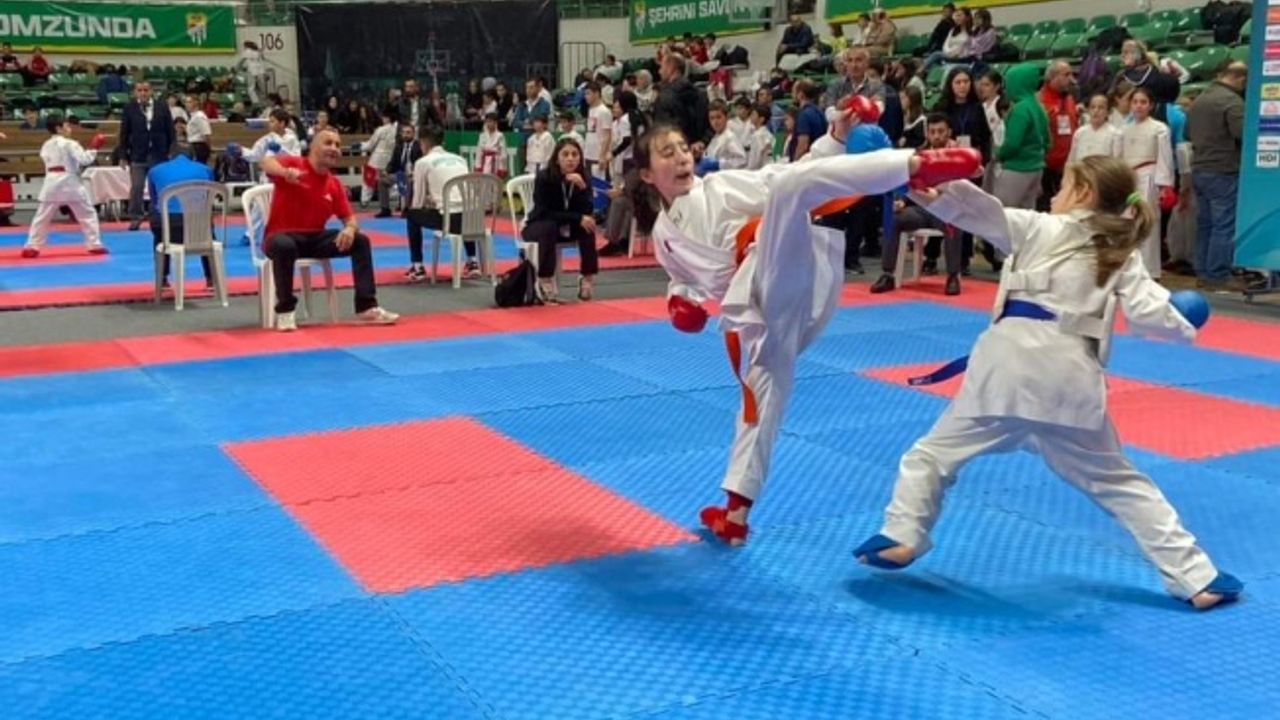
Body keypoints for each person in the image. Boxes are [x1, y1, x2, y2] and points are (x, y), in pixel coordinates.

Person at [854, 154, 1242, 612]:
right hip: (1069, 383)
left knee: (930, 458)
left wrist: (932, 189)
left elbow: (982, 212)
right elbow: (1150, 313)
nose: (1054, 196)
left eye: (1062, 187)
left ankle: (902, 534)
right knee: (1119, 483)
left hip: (1006, 375)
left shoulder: (1039, 227)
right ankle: (1197, 577)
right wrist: (1183, 316)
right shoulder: (1120, 251)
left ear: (1083, 193)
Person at [629, 124, 980, 544]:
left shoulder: (719, 187)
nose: (682, 157)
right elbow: (683, 277)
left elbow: (776, 176)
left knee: (789, 187)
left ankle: (914, 165)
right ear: (647, 174)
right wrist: (680, 301)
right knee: (759, 404)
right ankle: (736, 513)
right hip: (759, 316)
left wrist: (835, 140)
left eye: (683, 148)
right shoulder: (664, 234)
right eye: (667, 152)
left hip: (773, 271)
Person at [258, 127, 399, 331]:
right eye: (328, 143)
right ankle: (286, 311)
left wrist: (349, 229)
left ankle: (367, 306)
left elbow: (350, 218)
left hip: (314, 239)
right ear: (313, 147)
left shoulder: (334, 184)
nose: (334, 148)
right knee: (284, 245)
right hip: (280, 237)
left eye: (337, 145)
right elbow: (265, 162)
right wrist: (284, 172)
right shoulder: (295, 164)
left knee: (360, 241)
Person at [873, 113, 964, 296]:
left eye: (941, 131)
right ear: (927, 134)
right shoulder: (917, 156)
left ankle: (953, 276)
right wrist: (901, 201)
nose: (936, 136)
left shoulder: (959, 156)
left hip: (945, 209)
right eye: (932, 132)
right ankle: (887, 274)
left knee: (953, 223)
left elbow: (964, 188)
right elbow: (906, 183)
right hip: (920, 209)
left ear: (949, 132)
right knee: (894, 218)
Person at [1186, 60, 1246, 292]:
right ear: (1239, 78)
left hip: (1199, 168)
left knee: (1205, 224)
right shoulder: (1232, 101)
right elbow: (1242, 133)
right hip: (1223, 169)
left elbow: (1187, 133)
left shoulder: (1199, 100)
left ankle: (1203, 272)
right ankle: (1218, 275)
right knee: (1223, 225)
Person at [522, 138, 598, 302]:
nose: (571, 159)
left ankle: (586, 277)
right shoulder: (544, 177)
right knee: (549, 227)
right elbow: (544, 212)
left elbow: (587, 211)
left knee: (589, 226)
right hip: (539, 224)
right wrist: (577, 218)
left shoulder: (584, 177)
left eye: (575, 155)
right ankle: (545, 279)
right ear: (557, 158)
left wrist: (582, 188)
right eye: (565, 154)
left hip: (568, 226)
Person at [20, 116, 109, 258]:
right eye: (66, 126)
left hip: (51, 181)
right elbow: (84, 160)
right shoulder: (70, 144)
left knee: (42, 217)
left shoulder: (46, 145)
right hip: (69, 181)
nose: (69, 129)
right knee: (87, 214)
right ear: (58, 128)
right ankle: (94, 244)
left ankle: (32, 246)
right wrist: (94, 148)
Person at [404, 125, 474, 283]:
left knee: (411, 215)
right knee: (461, 208)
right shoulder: (460, 159)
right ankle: (472, 261)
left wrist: (424, 204)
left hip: (448, 219)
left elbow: (418, 202)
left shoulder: (422, 162)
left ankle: (417, 266)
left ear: (423, 143)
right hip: (471, 219)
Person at [1119, 87, 1175, 279]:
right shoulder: (1123, 129)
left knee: (1148, 222)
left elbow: (1165, 158)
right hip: (1128, 179)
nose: (1138, 106)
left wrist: (1164, 186)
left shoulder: (1159, 128)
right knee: (1127, 223)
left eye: (1143, 102)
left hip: (1149, 177)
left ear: (1151, 106)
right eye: (1135, 102)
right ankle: (1127, 269)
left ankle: (1150, 270)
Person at [147, 149, 216, 287]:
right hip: (199, 229)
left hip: (168, 229)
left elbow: (154, 201)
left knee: (159, 222)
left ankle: (162, 277)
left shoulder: (154, 171)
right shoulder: (205, 170)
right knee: (205, 223)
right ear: (193, 157)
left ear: (169, 156)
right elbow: (210, 196)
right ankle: (211, 276)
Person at [120, 81, 176, 230]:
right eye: (139, 90)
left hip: (159, 153)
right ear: (135, 92)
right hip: (138, 154)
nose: (143, 93)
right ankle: (135, 217)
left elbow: (170, 130)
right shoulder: (129, 108)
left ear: (151, 91)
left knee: (160, 187)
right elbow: (124, 133)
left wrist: (172, 150)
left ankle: (160, 214)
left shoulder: (162, 106)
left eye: (145, 90)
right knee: (137, 187)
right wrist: (123, 155)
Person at [359, 110, 398, 212]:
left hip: (377, 159)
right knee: (387, 180)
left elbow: (370, 145)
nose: (382, 119)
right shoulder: (396, 130)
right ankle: (393, 199)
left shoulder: (380, 130)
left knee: (368, 179)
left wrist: (360, 146)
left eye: (384, 117)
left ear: (387, 118)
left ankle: (364, 200)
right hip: (389, 160)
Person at [1069, 93, 1123, 163]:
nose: (1096, 111)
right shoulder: (1079, 133)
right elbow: (1071, 160)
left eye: (1101, 108)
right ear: (1088, 111)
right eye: (1093, 107)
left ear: (1107, 112)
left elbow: (1117, 163)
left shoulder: (1115, 134)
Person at [703, 100, 748, 170]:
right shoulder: (715, 137)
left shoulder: (729, 137)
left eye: (718, 117)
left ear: (726, 117)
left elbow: (742, 160)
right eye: (712, 118)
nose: (715, 122)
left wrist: (719, 164)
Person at [184, 95, 212, 164]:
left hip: (199, 147)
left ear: (196, 103)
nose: (186, 104)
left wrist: (209, 149)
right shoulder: (193, 116)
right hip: (192, 146)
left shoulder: (200, 116)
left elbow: (206, 134)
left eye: (189, 102)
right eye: (186, 102)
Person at [746, 104, 775, 171]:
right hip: (768, 168)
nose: (750, 116)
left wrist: (748, 170)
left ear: (761, 119)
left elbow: (754, 161)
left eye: (753, 114)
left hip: (760, 170)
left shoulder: (757, 136)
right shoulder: (767, 133)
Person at [476, 112, 507, 177]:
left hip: (496, 162)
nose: (488, 124)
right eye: (487, 122)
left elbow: (503, 153)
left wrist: (502, 168)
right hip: (484, 162)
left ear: (495, 123)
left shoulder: (500, 135)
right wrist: (478, 166)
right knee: (484, 179)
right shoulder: (482, 135)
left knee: (495, 180)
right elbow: (479, 152)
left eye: (490, 121)